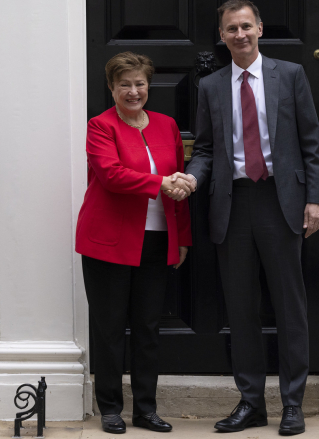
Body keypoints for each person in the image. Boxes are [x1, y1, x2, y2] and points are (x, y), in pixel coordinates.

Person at [175, 0, 319, 436]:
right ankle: (251, 403)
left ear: (260, 28)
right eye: (230, 29)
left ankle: (293, 404)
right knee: (241, 308)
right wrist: (191, 179)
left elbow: (312, 143)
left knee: (290, 306)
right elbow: (204, 148)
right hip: (233, 203)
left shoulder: (291, 75)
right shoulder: (212, 86)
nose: (239, 35)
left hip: (281, 202)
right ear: (221, 36)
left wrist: (315, 199)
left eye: (246, 26)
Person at [75, 52, 193, 434]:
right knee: (110, 328)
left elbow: (180, 185)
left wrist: (183, 239)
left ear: (149, 85)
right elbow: (110, 175)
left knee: (147, 329)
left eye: (139, 83)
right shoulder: (100, 125)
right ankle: (110, 407)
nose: (133, 91)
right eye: (124, 84)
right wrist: (160, 182)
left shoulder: (167, 125)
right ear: (111, 88)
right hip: (108, 241)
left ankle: (145, 409)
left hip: (158, 240)